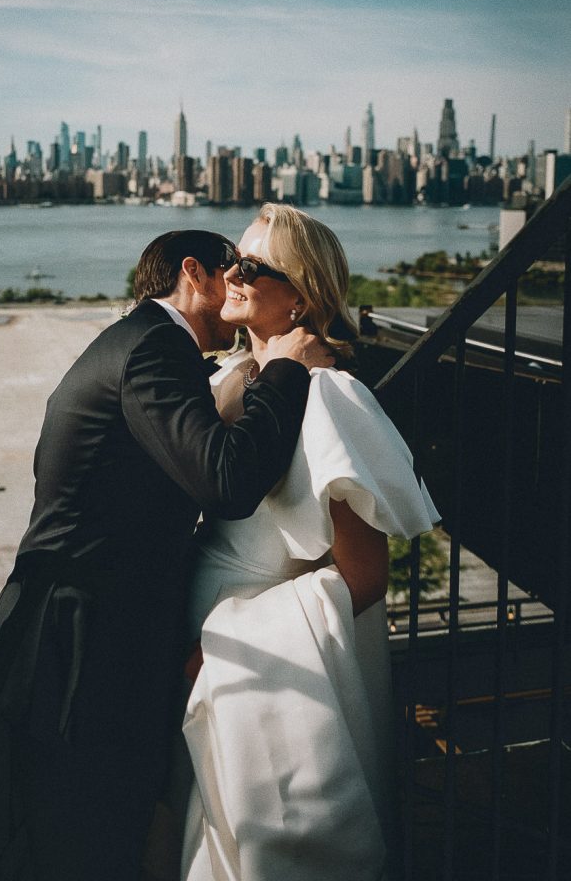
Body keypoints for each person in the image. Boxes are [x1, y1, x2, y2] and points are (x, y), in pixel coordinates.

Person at [0, 228, 333, 881]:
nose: (243, 283)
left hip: (83, 645)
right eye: (235, 269)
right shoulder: (155, 347)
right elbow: (226, 482)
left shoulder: (143, 345)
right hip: (78, 655)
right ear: (194, 273)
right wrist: (286, 365)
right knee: (86, 847)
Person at [180, 205, 440, 881]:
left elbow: (363, 576)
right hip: (210, 658)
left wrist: (230, 648)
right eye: (231, 258)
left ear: (300, 296)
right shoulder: (228, 385)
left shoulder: (328, 398)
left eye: (252, 266)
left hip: (265, 678)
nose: (229, 273)